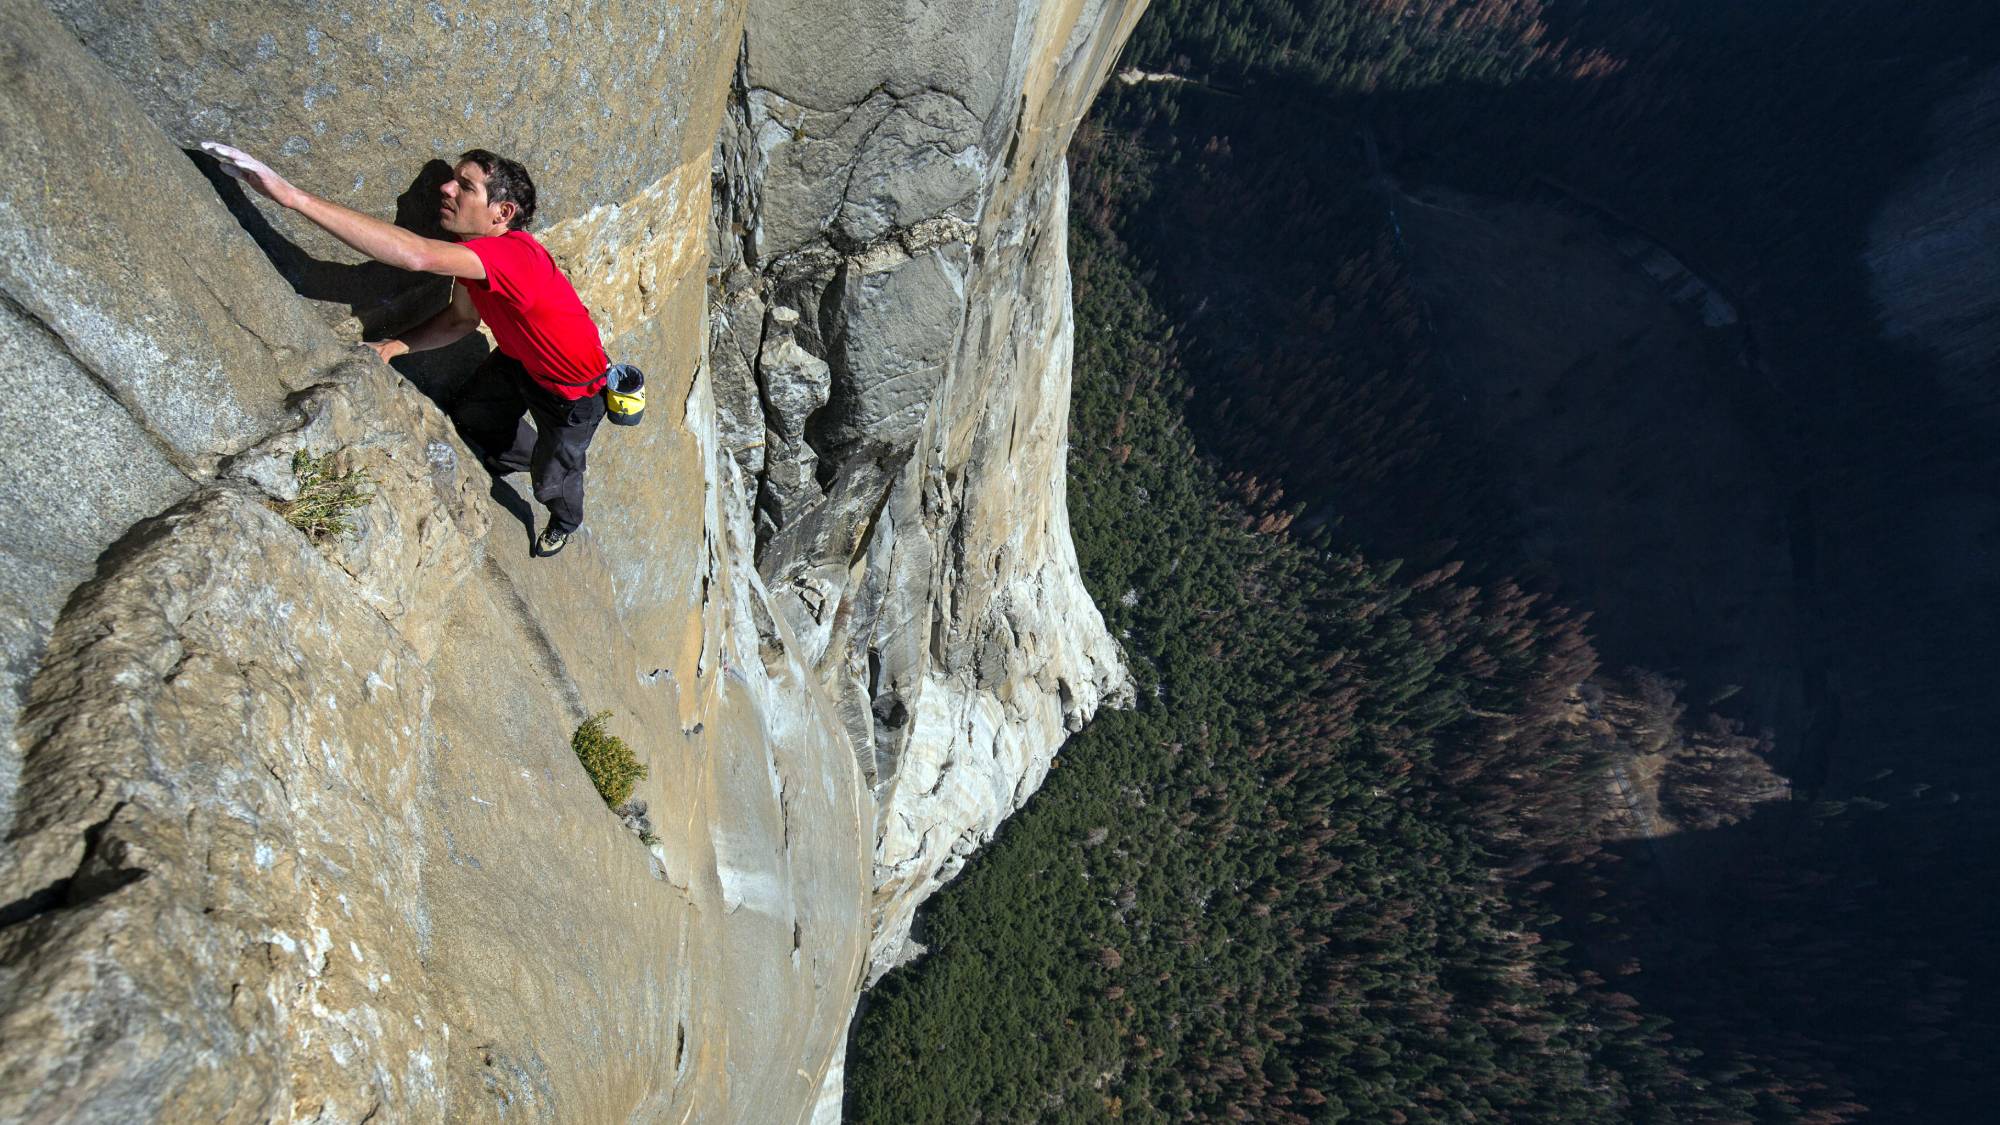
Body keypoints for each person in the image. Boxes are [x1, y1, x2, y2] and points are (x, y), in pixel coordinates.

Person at [200, 142, 608, 557]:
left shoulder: (514, 256)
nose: (446, 188)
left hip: (571, 391)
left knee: (552, 478)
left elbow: (415, 255)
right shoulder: (474, 257)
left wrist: (291, 197)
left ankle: (564, 518)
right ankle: (525, 455)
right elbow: (460, 320)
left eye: (464, 186)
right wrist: (393, 346)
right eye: (452, 178)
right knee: (474, 416)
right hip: (518, 359)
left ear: (502, 213)